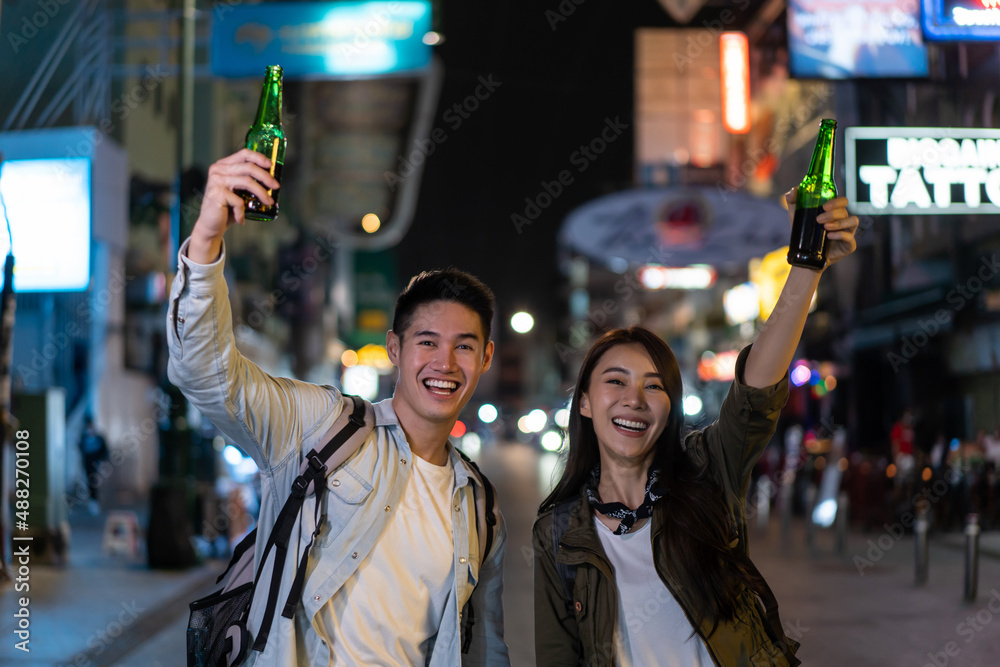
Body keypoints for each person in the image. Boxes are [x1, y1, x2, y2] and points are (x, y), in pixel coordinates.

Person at [167, 149, 509, 665]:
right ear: (395, 348)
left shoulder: (480, 505)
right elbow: (208, 377)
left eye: (464, 346)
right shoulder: (323, 428)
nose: (445, 362)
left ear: (484, 358)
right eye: (427, 342)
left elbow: (484, 646)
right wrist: (207, 239)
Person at [533, 191, 858, 666]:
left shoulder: (707, 473)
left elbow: (754, 394)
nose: (634, 400)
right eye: (615, 381)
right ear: (584, 402)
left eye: (654, 386)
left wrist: (807, 267)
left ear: (669, 409)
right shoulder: (558, 532)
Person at [79, 415, 110, 515]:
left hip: (97, 464)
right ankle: (93, 501)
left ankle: (95, 501)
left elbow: (104, 451)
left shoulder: (99, 438)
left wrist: (102, 461)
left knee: (95, 482)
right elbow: (81, 449)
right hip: (88, 464)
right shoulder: (84, 438)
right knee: (90, 482)